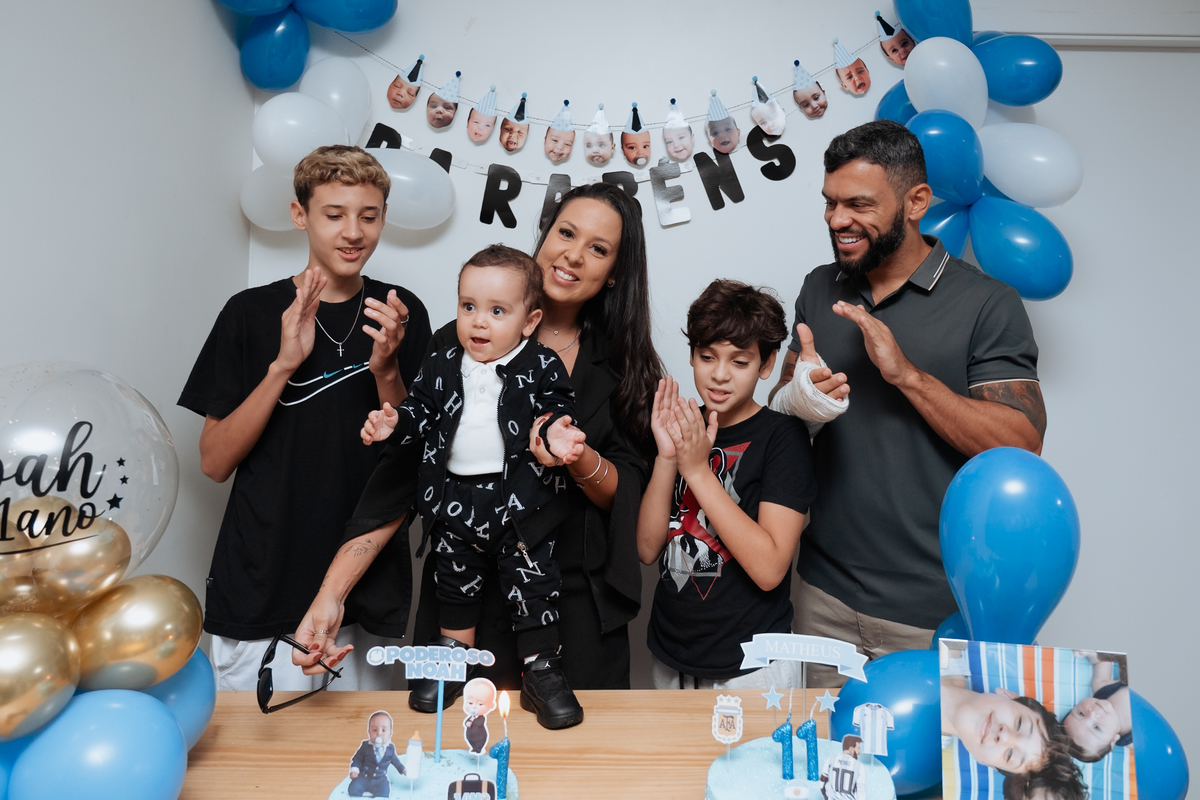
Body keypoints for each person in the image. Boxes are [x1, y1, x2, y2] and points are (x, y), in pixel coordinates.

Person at [293, 182, 663, 698]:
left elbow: (626, 496)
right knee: (449, 764)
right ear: (545, 234)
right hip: (460, 599)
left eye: (598, 249)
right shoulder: (458, 344)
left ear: (615, 271)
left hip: (570, 612)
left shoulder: (625, 370)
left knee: (574, 769)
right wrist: (331, 595)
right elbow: (401, 477)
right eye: (566, 232)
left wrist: (573, 454)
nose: (573, 255)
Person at [769, 120, 1045, 686]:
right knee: (827, 769)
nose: (837, 220)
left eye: (858, 204)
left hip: (933, 611)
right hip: (823, 594)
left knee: (923, 776)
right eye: (830, 203)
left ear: (916, 201)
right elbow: (780, 400)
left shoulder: (987, 304)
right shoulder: (821, 286)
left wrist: (908, 378)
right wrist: (800, 396)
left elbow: (1022, 443)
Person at [178, 145, 431, 691]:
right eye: (334, 214)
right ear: (300, 216)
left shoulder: (400, 310)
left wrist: (386, 369)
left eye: (368, 216)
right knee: (259, 761)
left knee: (369, 763)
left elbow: (414, 455)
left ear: (384, 217)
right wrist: (283, 365)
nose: (353, 232)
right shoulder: (249, 313)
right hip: (263, 578)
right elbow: (215, 461)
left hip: (366, 584)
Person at [358, 244, 587, 730]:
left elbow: (554, 411)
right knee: (453, 584)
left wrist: (556, 434)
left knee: (534, 587)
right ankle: (451, 663)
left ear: (530, 321)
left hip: (520, 506)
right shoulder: (443, 361)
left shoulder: (543, 365)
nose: (478, 322)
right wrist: (392, 422)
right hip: (455, 501)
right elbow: (419, 410)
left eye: (497, 311)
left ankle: (541, 670)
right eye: (468, 307)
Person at [638, 281, 815, 689]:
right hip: (672, 654)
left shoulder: (782, 437)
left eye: (739, 362)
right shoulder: (682, 425)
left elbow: (770, 570)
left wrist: (698, 471)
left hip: (752, 667)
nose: (719, 375)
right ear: (692, 356)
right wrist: (668, 457)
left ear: (766, 365)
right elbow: (648, 550)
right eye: (707, 357)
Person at [1062, 650, 1132, 761]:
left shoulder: (1102, 689)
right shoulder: (1133, 740)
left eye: (1081, 713)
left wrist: (1090, 653)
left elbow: (1101, 662)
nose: (1092, 713)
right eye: (1097, 727)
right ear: (1112, 740)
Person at [348, 710, 405, 797]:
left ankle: (375, 794)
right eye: (374, 730)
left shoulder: (390, 749)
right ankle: (365, 794)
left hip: (380, 779)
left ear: (390, 734)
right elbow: (357, 758)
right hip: (364, 776)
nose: (378, 733)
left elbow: (395, 761)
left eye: (383, 730)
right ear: (369, 732)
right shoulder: (365, 746)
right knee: (353, 789)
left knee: (385, 792)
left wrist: (403, 770)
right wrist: (354, 770)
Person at [821, 735, 865, 800]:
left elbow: (822, 782)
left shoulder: (830, 760)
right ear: (851, 748)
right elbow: (861, 791)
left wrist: (826, 796)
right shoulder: (859, 766)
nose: (859, 752)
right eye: (858, 748)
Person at [462, 678, 497, 754]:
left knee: (479, 743)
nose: (474, 707)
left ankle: (478, 749)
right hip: (470, 735)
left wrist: (472, 719)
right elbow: (466, 723)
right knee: (471, 741)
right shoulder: (471, 717)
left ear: (491, 705)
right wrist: (470, 720)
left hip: (479, 737)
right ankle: (474, 748)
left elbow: (478, 724)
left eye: (480, 704)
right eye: (470, 703)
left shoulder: (481, 718)